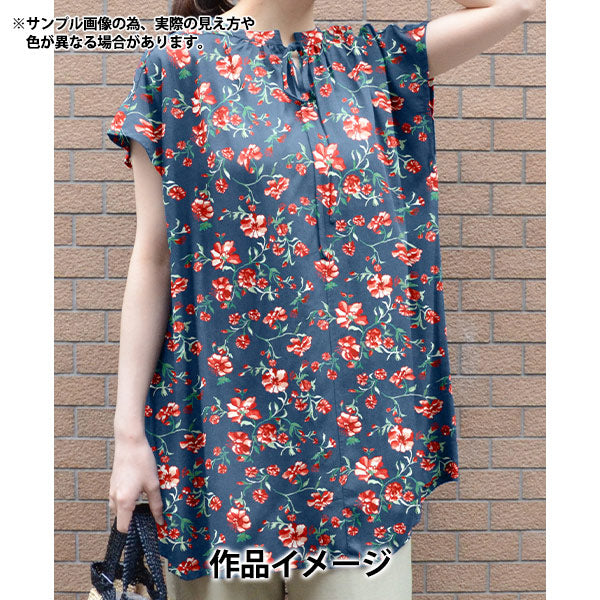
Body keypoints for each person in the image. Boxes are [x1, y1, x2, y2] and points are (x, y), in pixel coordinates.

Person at [106, 0, 538, 598]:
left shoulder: (372, 64)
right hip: (220, 452)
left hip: (359, 459)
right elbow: (153, 259)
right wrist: (129, 437)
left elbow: (519, 4)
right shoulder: (176, 69)